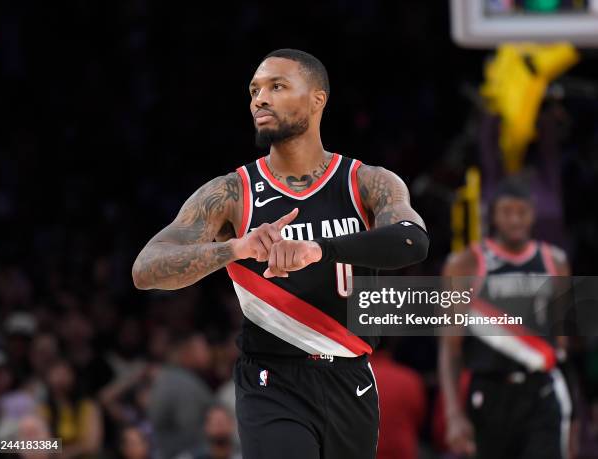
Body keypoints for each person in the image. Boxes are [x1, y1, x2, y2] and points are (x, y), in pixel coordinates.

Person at [133, 48, 429, 459]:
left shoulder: (365, 181)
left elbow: (412, 240)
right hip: (271, 378)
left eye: (277, 86)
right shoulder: (231, 192)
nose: (260, 99)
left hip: (351, 374)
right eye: (254, 90)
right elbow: (145, 269)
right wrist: (234, 248)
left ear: (317, 99)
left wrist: (318, 250)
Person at [439, 178, 573, 459]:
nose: (514, 219)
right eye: (507, 211)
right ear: (493, 214)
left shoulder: (554, 262)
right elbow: (450, 347)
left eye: (521, 212)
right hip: (489, 393)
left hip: (541, 392)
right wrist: (453, 414)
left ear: (533, 213)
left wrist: (574, 415)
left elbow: (564, 341)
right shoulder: (465, 263)